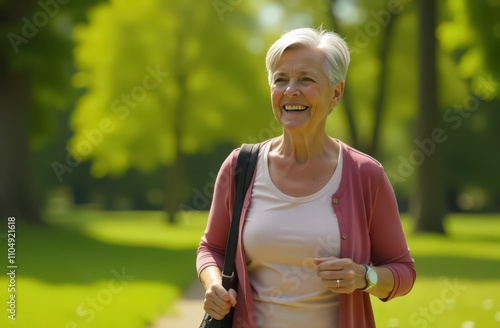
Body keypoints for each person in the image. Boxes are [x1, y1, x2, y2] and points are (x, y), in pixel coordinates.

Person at [196, 27, 416, 328]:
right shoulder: (240, 167)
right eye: (280, 80)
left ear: (336, 93)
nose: (290, 91)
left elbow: (403, 270)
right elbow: (212, 248)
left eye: (306, 79)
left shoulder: (366, 175)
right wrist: (212, 285)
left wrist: (365, 277)